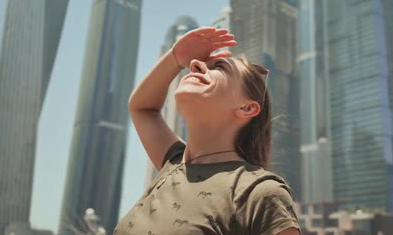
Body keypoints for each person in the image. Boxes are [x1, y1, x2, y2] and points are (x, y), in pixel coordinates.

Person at [114, 27, 301, 234]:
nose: (194, 65)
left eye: (219, 67)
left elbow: (142, 108)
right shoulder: (173, 163)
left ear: (247, 108)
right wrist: (176, 58)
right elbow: (141, 107)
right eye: (194, 65)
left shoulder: (258, 192)